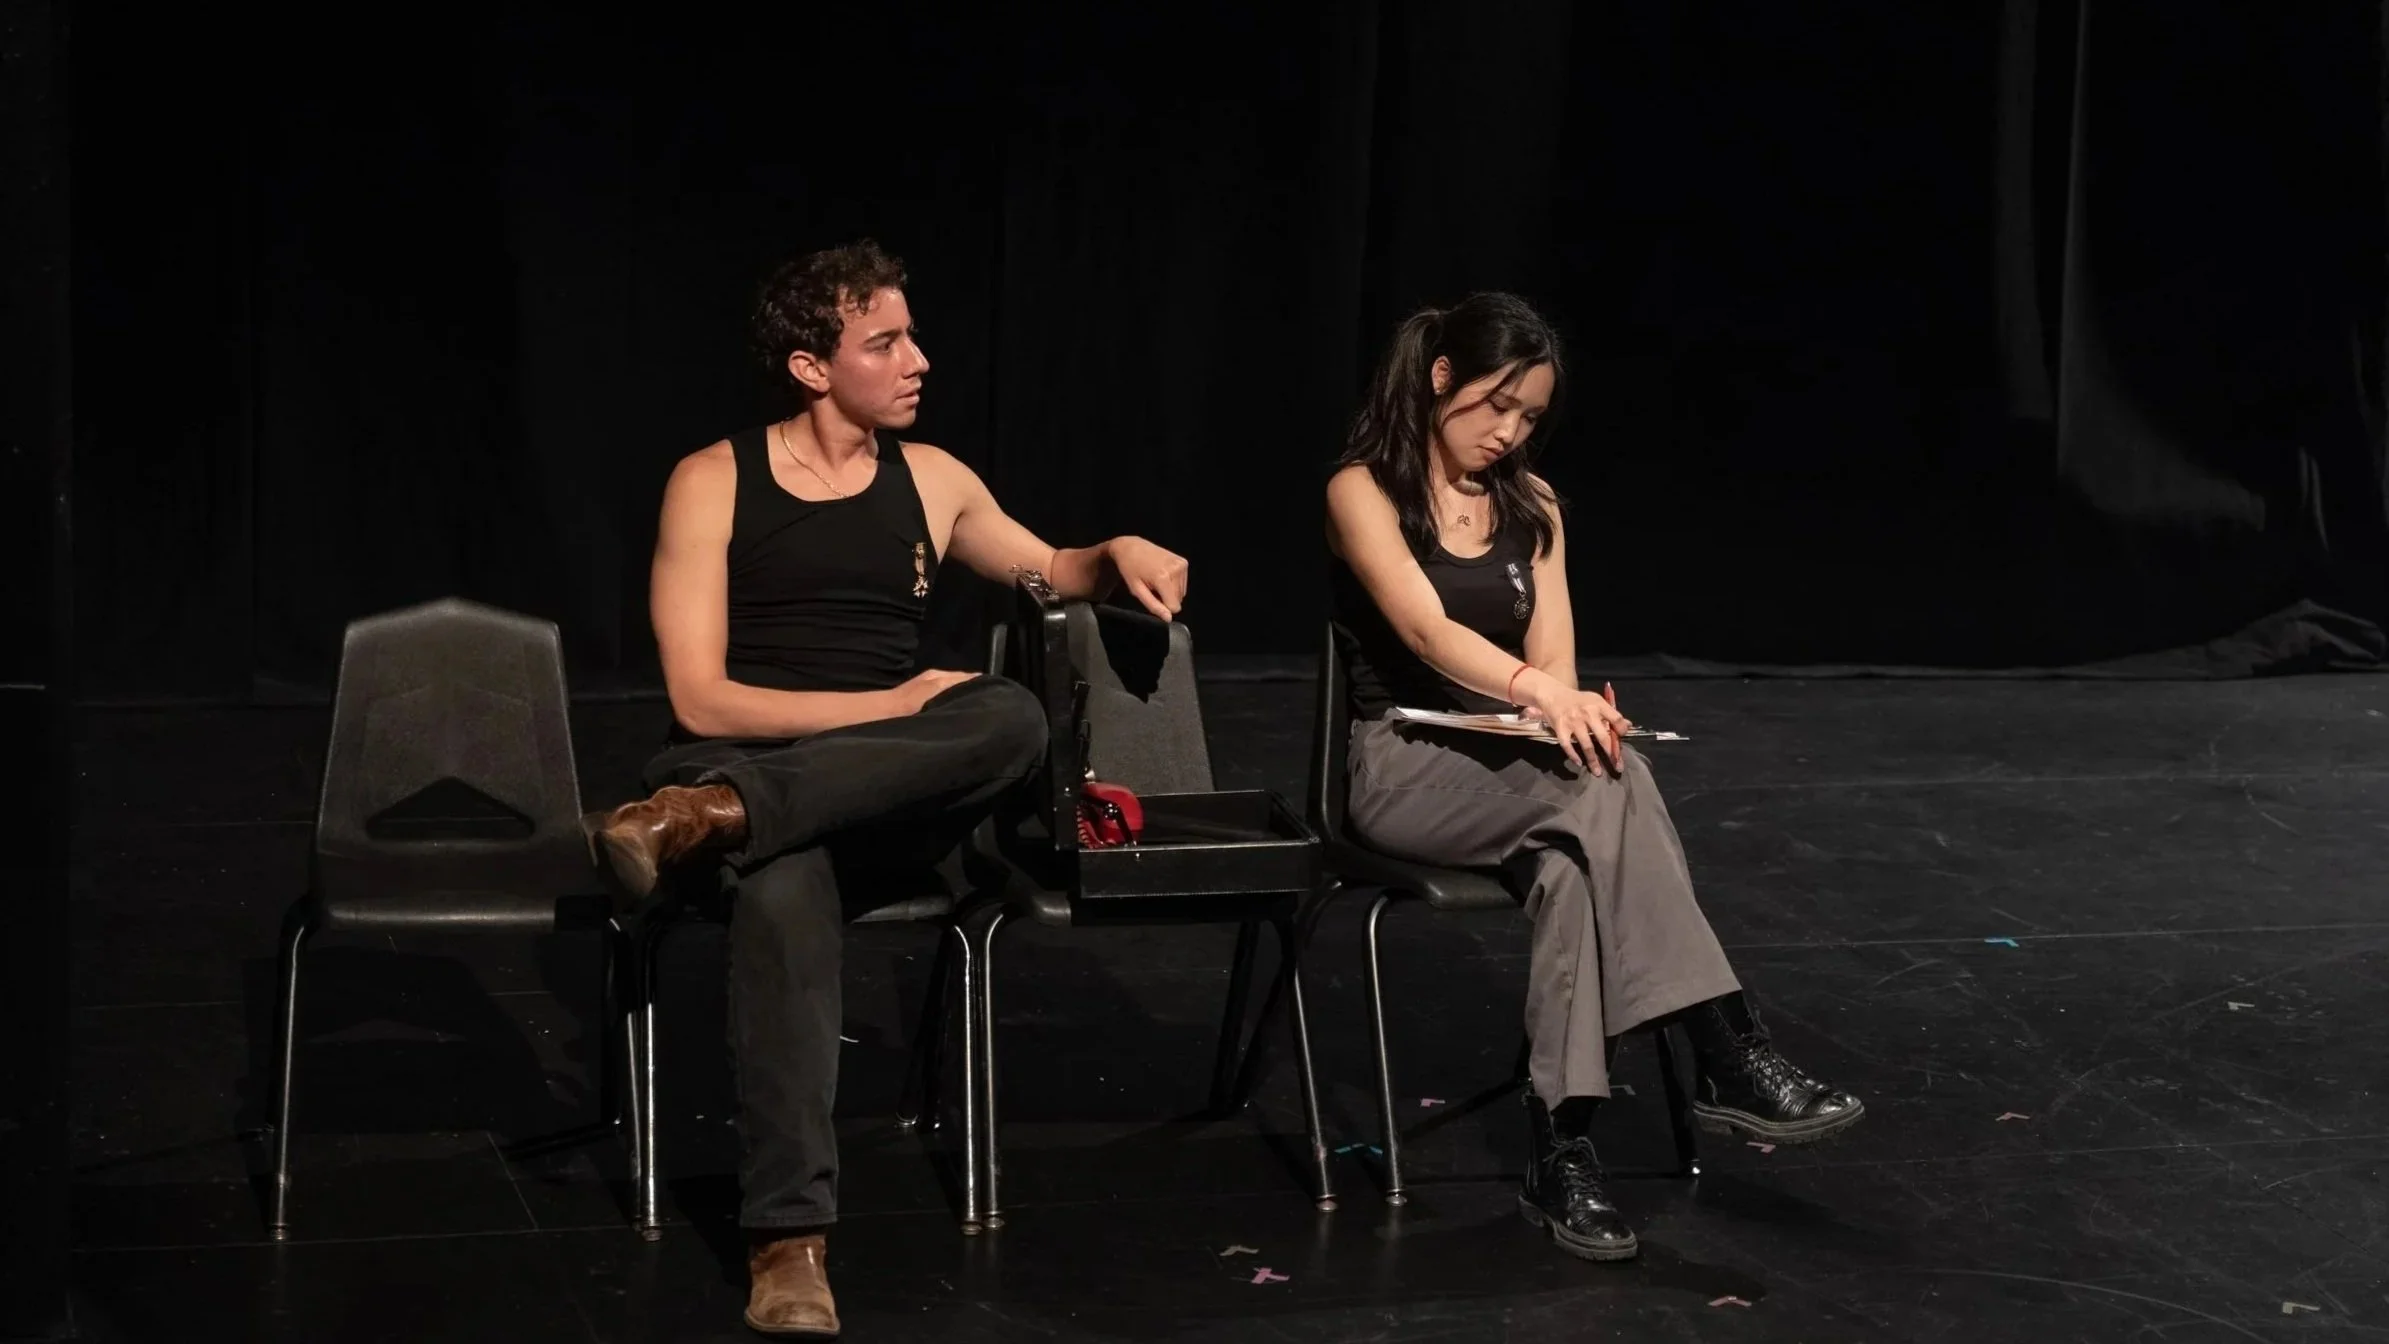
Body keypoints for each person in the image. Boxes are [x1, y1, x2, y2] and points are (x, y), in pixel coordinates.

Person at [588, 240, 1191, 1337]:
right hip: (743, 754)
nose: (918, 359)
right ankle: (788, 1241)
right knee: (781, 888)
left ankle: (707, 823)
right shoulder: (713, 479)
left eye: (912, 335)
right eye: (885, 342)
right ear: (812, 367)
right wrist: (894, 706)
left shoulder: (936, 479)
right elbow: (703, 700)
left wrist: (1114, 549)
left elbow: (1051, 569)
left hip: (842, 798)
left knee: (1007, 715)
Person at [1325, 292, 1862, 1264]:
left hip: (1508, 767)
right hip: (1397, 764)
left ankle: (1562, 1147)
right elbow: (1424, 629)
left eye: (1529, 416)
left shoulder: (1533, 508)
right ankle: (1724, 1047)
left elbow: (1555, 665)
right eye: (1496, 404)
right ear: (1441, 377)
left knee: (1584, 838)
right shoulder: (1363, 490)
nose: (1508, 432)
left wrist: (1571, 711)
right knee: (1606, 791)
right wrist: (1539, 693)